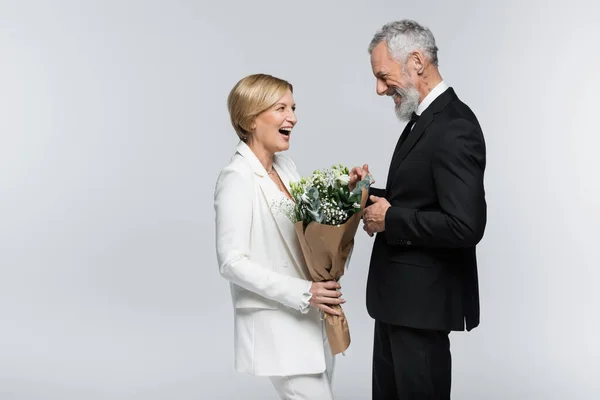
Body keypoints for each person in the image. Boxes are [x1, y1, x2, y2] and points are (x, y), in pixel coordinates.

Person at [349, 20, 487, 399]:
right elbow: (416, 200)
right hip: (399, 305)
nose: (379, 89)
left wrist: (390, 218)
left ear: (416, 62)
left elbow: (465, 225)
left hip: (421, 309)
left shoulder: (454, 126)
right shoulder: (423, 120)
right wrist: (364, 194)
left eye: (383, 76)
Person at [214, 73, 343, 399]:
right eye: (281, 108)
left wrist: (350, 196)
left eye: (293, 107)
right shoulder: (237, 178)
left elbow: (308, 235)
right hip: (279, 329)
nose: (293, 118)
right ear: (251, 118)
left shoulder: (287, 168)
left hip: (314, 324)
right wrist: (304, 292)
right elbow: (232, 262)